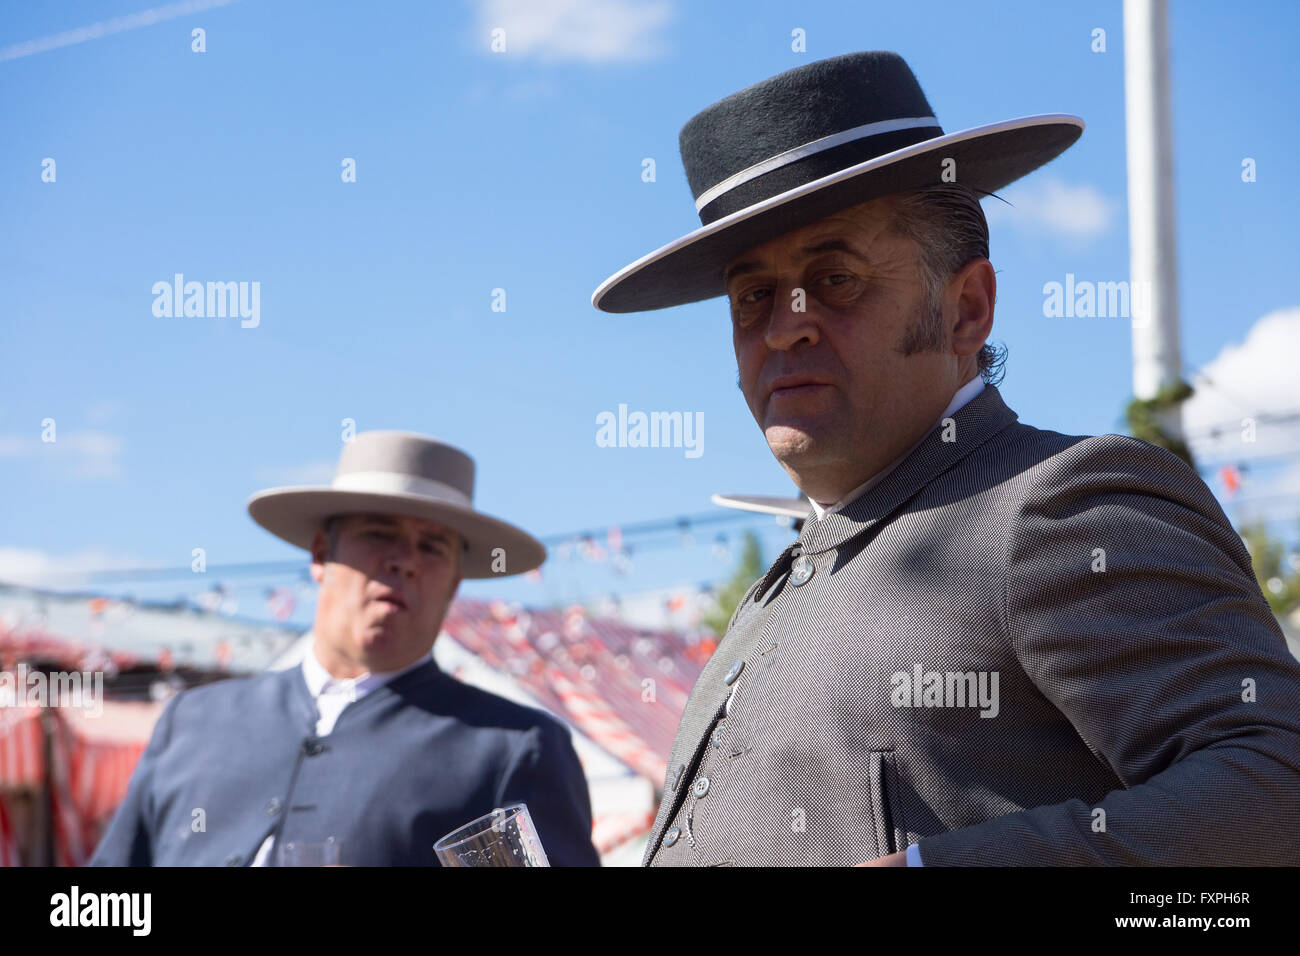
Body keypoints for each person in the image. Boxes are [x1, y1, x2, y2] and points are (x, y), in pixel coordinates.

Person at [592, 51, 1300, 866]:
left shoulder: (1058, 504)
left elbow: (1274, 786)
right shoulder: (778, 590)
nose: (785, 327)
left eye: (835, 277)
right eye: (754, 297)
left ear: (968, 308)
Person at [91, 430, 600, 866]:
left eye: (432, 547)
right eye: (379, 534)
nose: (403, 561)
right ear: (320, 554)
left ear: (454, 584)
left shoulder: (513, 747)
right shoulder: (194, 722)